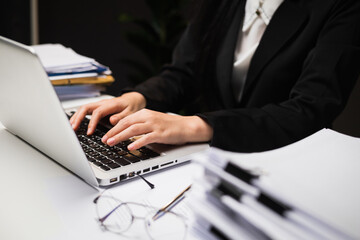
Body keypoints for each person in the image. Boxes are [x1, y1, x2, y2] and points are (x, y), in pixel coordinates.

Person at [70, 0, 360, 152]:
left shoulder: (342, 5)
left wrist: (198, 125)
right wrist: (139, 97)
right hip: (213, 158)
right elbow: (185, 70)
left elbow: (310, 111)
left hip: (287, 164)